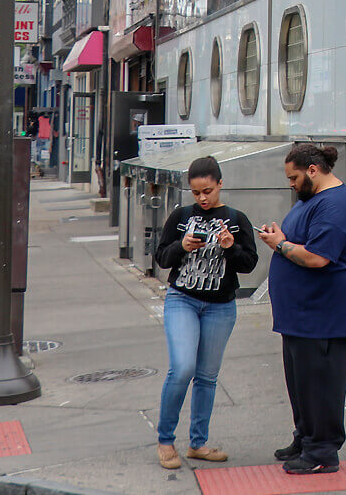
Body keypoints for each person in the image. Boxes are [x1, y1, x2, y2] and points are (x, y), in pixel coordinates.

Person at [257, 143, 346, 475]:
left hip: (325, 313)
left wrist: (280, 244)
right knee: (301, 381)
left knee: (321, 383)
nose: (290, 184)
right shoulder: (313, 200)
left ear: (313, 171)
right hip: (303, 314)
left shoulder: (335, 206)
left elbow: (318, 257)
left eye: (294, 178)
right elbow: (300, 242)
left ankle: (322, 450)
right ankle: (306, 437)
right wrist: (281, 237)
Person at [152, 156, 258, 469]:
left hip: (221, 306)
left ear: (220, 184)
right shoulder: (181, 216)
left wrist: (229, 246)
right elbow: (161, 257)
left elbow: (250, 264)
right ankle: (165, 439)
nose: (202, 198)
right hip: (182, 299)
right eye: (196, 192)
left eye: (208, 190)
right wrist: (182, 246)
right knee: (182, 368)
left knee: (207, 377)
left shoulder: (237, 219)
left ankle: (198, 443)